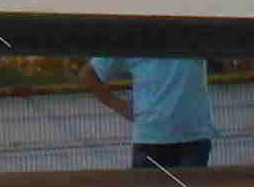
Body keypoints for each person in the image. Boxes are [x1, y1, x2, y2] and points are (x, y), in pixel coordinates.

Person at [86, 55, 218, 169]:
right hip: (160, 139)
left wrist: (121, 106)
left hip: (188, 138)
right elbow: (90, 74)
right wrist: (121, 106)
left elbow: (91, 74)